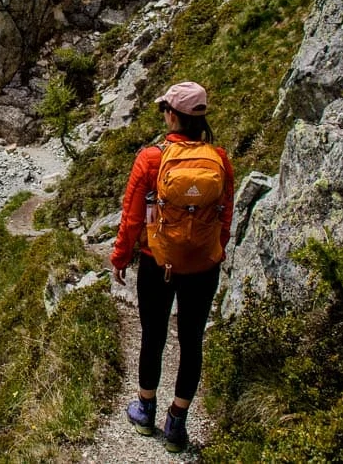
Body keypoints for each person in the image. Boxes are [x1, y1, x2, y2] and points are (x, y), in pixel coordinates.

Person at [110, 81, 234, 453]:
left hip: (156, 261)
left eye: (165, 108)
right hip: (203, 266)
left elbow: (132, 217)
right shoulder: (220, 159)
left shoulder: (151, 158)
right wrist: (212, 249)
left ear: (171, 115)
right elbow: (225, 215)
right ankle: (177, 424)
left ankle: (145, 411)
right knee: (192, 340)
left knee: (154, 334)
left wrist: (119, 257)